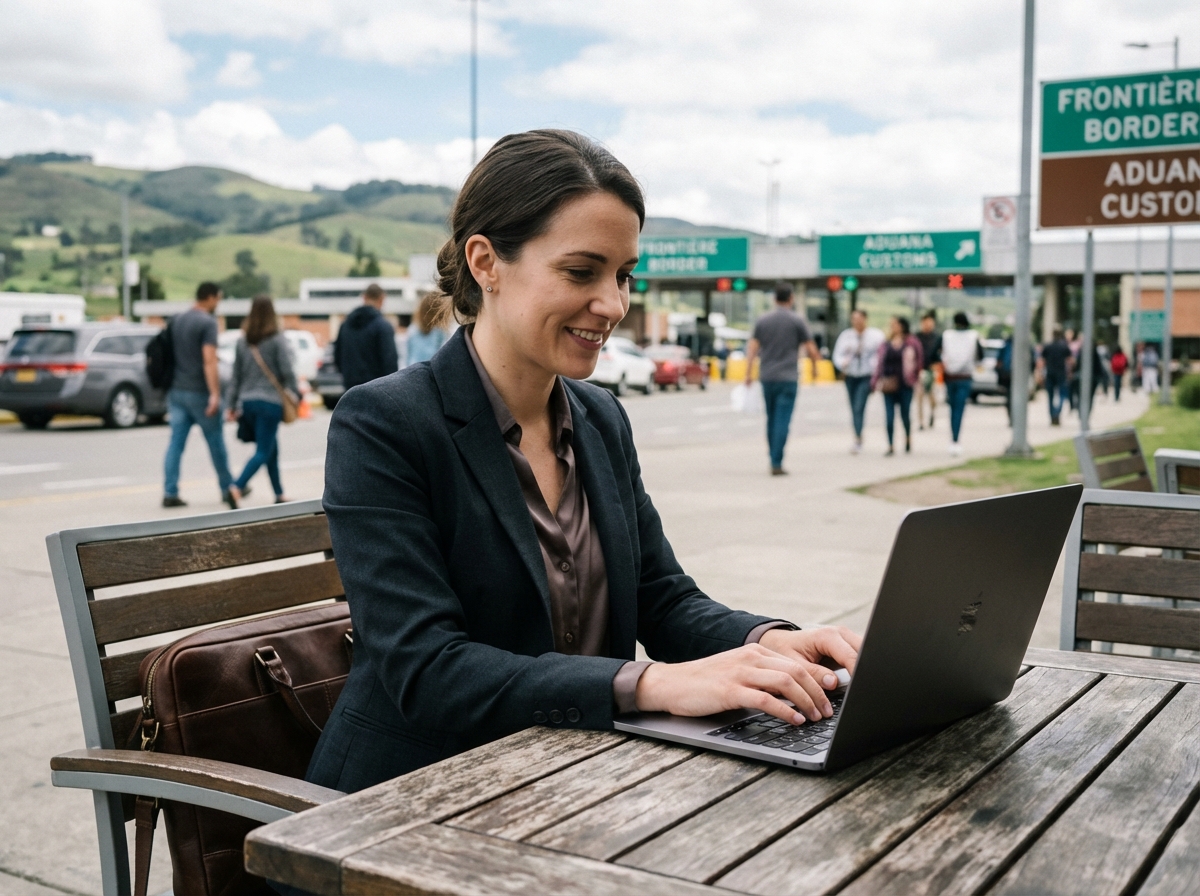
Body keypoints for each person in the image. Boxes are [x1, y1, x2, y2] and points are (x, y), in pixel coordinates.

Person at [305, 130, 861, 795]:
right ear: (486, 262)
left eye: (624, 275)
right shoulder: (386, 422)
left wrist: (768, 641)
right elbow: (425, 668)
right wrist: (650, 683)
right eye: (581, 272)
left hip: (575, 780)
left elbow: (659, 598)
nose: (614, 304)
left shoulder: (599, 417)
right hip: (414, 796)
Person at [162, 282, 236, 509]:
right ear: (211, 297)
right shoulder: (207, 323)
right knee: (216, 443)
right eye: (219, 299)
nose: (218, 304)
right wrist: (215, 393)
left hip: (176, 391)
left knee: (176, 444)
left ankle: (170, 491)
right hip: (200, 393)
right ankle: (227, 488)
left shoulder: (176, 320)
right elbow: (209, 360)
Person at [227, 296, 299, 505]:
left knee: (271, 448)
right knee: (262, 452)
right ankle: (236, 487)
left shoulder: (243, 342)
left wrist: (231, 405)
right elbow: (287, 371)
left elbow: (235, 377)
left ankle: (279, 494)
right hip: (270, 403)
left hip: (247, 404)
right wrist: (296, 393)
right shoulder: (277, 339)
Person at [743, 282, 821, 475]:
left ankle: (772, 456)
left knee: (770, 418)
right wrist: (815, 368)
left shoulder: (763, 320)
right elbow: (811, 348)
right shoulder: (797, 320)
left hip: (767, 377)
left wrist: (747, 373)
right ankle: (776, 461)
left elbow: (752, 348)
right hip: (788, 378)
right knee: (782, 420)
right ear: (791, 298)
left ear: (774, 298)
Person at [832, 309, 885, 454]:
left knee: (858, 405)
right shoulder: (846, 336)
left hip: (866, 375)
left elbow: (881, 355)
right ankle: (858, 434)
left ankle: (857, 438)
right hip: (851, 375)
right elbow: (837, 354)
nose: (856, 321)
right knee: (853, 406)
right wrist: (842, 363)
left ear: (865, 319)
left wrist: (876, 370)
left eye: (859, 318)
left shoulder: (875, 336)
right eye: (854, 319)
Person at [870, 316, 922, 456]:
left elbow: (919, 362)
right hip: (888, 384)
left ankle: (907, 438)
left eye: (894, 324)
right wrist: (874, 381)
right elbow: (879, 364)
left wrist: (916, 380)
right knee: (889, 417)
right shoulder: (885, 343)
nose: (892, 327)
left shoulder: (912, 342)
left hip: (906, 384)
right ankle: (891, 445)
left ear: (902, 326)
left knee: (905, 414)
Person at [334, 282, 399, 390]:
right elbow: (390, 362)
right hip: (376, 389)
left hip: (350, 388)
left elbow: (337, 356)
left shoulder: (345, 325)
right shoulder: (383, 327)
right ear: (381, 300)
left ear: (364, 297)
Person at [939, 312, 980, 455]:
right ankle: (956, 439)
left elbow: (935, 353)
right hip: (964, 377)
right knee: (959, 409)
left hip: (950, 377)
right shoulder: (973, 336)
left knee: (952, 409)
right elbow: (980, 356)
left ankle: (953, 438)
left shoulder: (946, 336)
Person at [1038, 327, 1073, 426]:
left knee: (1050, 397)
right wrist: (1070, 373)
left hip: (1050, 373)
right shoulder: (1064, 346)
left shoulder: (1047, 346)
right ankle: (1057, 412)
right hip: (1061, 373)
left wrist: (1040, 374)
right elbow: (1070, 361)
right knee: (1062, 395)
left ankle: (1052, 415)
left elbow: (1042, 362)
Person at [405, 292, 450, 365]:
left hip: (412, 371)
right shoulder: (440, 333)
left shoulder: (412, 329)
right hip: (431, 372)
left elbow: (407, 357)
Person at [915, 311, 941, 430]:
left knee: (932, 395)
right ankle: (921, 421)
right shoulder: (917, 337)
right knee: (919, 396)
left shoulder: (937, 337)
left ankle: (932, 413)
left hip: (932, 369)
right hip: (919, 370)